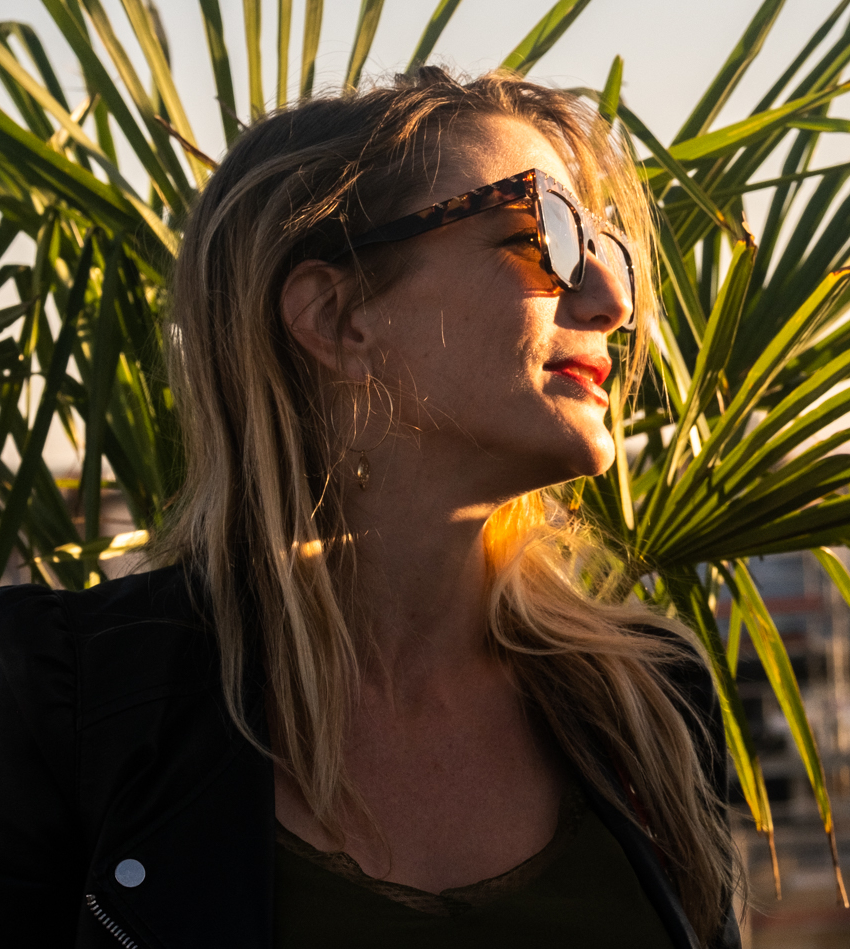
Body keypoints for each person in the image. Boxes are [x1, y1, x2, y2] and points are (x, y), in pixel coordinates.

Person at [0, 69, 739, 948]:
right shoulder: (65, 708)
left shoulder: (649, 704)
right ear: (338, 316)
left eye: (605, 247)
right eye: (546, 233)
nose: (612, 302)